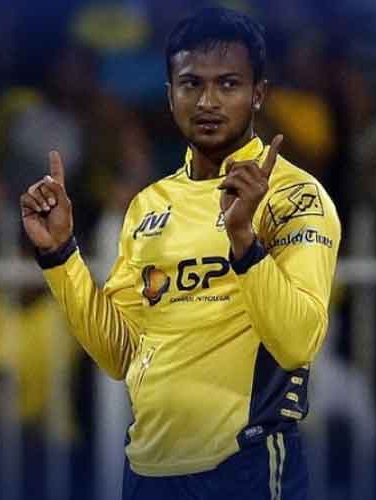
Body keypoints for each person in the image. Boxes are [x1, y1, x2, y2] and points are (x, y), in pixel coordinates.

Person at [20, 8, 340, 500]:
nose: (208, 101)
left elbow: (298, 343)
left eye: (228, 84)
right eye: (191, 84)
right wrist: (60, 255)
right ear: (170, 96)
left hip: (246, 468)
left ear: (258, 94)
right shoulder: (148, 205)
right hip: (148, 470)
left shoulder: (295, 196)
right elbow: (119, 354)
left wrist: (244, 242)